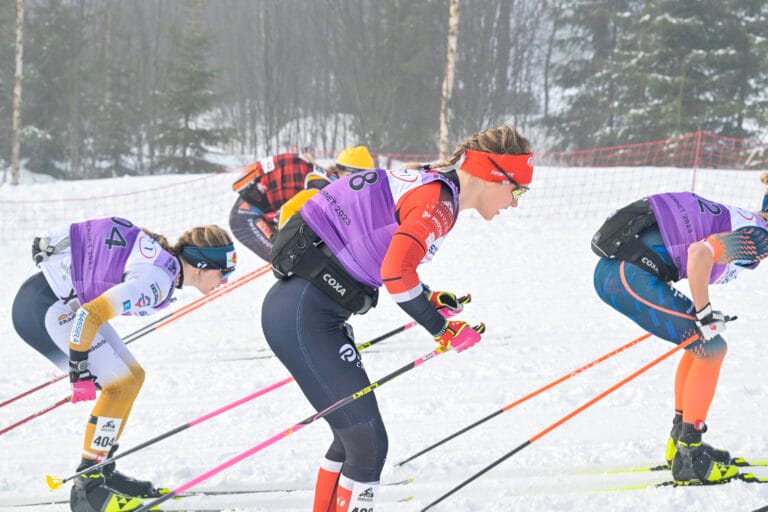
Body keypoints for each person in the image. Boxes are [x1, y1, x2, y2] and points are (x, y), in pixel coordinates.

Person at [262, 125, 533, 512]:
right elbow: (395, 274)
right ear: (494, 176)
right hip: (306, 315)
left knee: (353, 440)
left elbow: (390, 259)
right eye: (517, 191)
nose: (515, 203)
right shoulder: (437, 203)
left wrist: (429, 299)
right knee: (368, 445)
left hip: (302, 309)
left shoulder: (435, 185)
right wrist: (441, 329)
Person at [12, 218, 236, 512]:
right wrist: (79, 369)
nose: (225, 281)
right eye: (224, 272)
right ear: (202, 266)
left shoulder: (165, 267)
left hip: (61, 301)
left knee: (133, 376)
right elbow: (91, 315)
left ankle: (102, 470)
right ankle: (88, 488)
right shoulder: (157, 281)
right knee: (120, 385)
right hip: (45, 308)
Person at [592, 191, 768, 485]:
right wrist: (704, 313)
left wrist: (703, 315)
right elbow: (700, 254)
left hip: (622, 273)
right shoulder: (759, 239)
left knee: (701, 344)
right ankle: (690, 457)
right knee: (711, 347)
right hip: (626, 276)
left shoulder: (748, 222)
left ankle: (680, 442)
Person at [229, 146, 376, 262]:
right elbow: (288, 210)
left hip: (261, 208)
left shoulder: (331, 182)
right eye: (362, 179)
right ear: (349, 174)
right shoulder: (323, 186)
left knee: (295, 260)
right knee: (283, 259)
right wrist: (287, 241)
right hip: (246, 215)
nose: (362, 186)